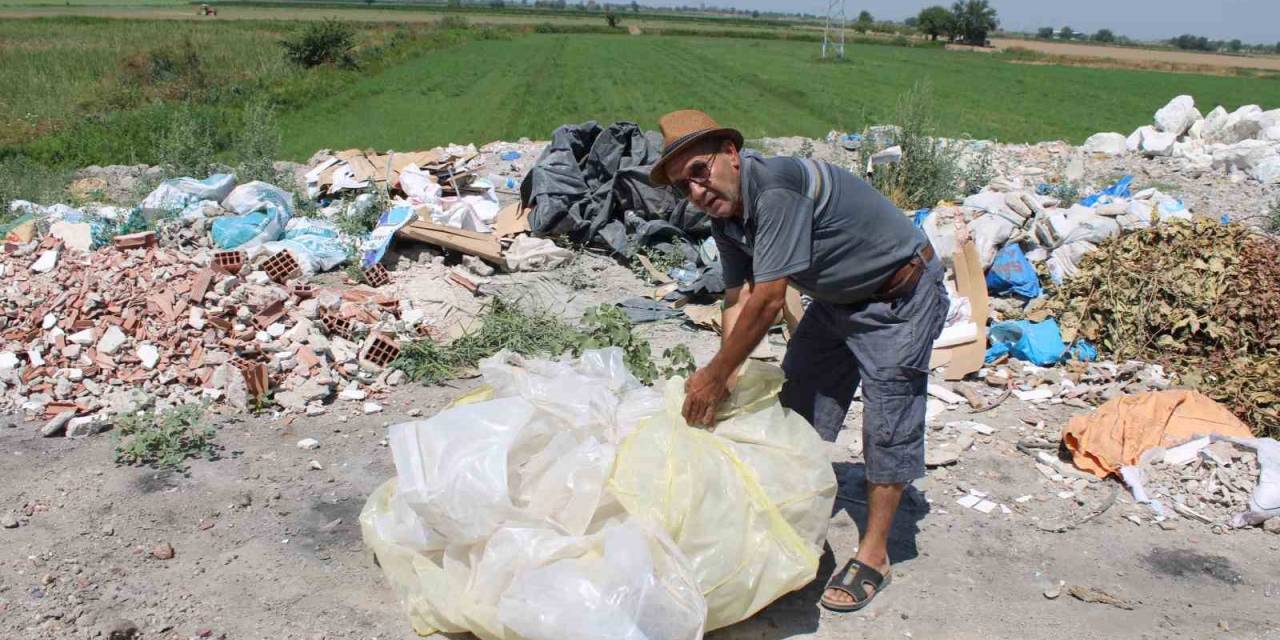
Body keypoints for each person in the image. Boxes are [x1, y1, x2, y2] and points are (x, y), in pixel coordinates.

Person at [649, 110, 948, 612]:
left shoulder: (776, 188)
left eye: (699, 171)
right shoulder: (727, 217)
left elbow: (768, 300)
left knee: (887, 423)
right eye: (683, 186)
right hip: (836, 301)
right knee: (796, 402)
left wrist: (716, 375)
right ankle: (790, 507)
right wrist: (729, 372)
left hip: (897, 296)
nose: (696, 192)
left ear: (730, 153)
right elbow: (735, 297)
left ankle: (876, 555)